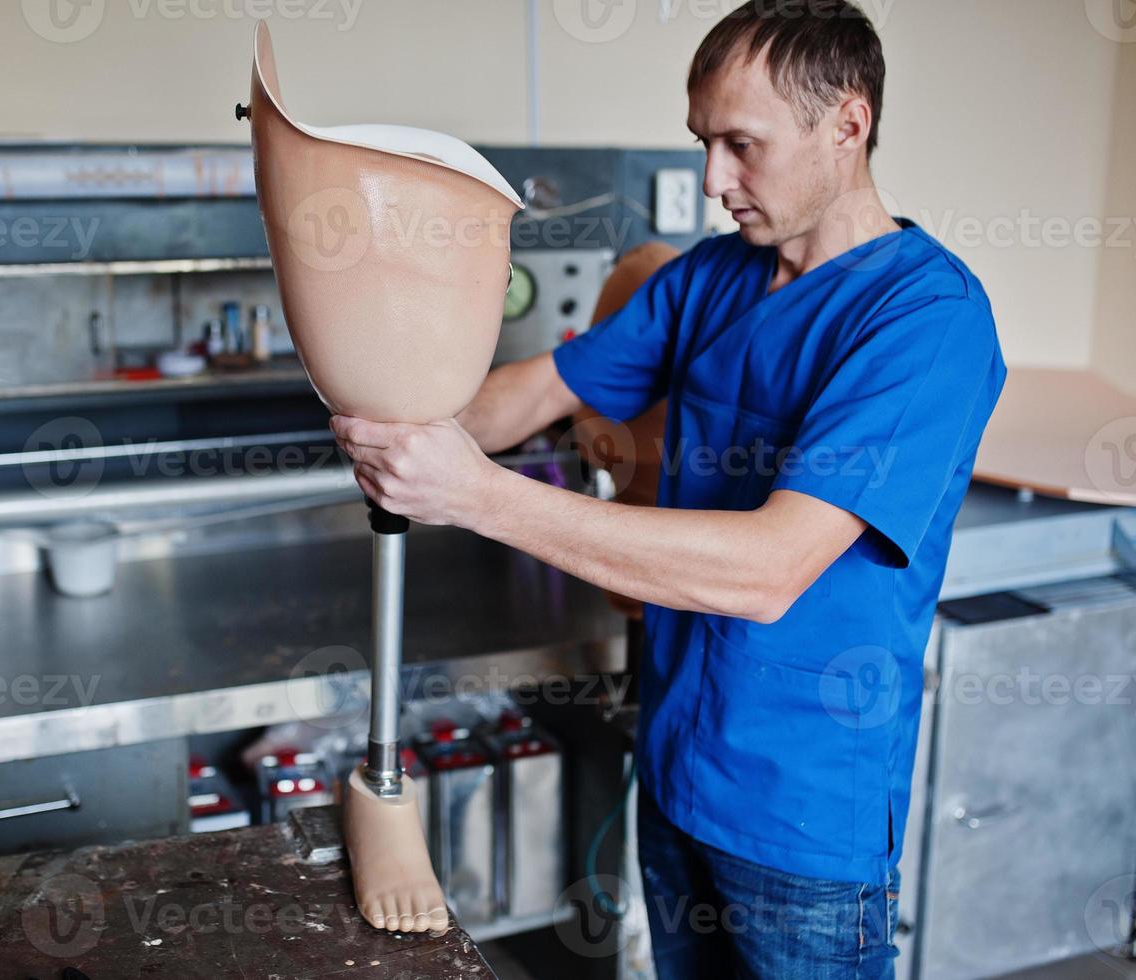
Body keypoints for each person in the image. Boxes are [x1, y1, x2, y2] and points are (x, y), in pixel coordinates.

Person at [331, 1, 1006, 975]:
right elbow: (533, 393)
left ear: (847, 126)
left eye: (741, 145)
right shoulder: (713, 279)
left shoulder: (924, 319)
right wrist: (384, 415)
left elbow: (771, 569)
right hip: (679, 761)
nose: (710, 181)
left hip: (803, 813)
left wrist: (475, 493)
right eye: (702, 143)